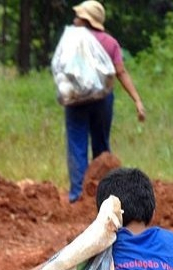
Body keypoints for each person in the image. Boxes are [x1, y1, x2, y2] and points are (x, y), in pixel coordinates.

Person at [62, 1, 146, 203]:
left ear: (85, 20)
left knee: (77, 145)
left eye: (78, 16)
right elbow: (121, 72)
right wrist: (137, 100)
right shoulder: (109, 42)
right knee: (101, 146)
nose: (75, 19)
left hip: (75, 100)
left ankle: (78, 195)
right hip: (102, 101)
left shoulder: (72, 40)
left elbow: (62, 68)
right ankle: (104, 196)